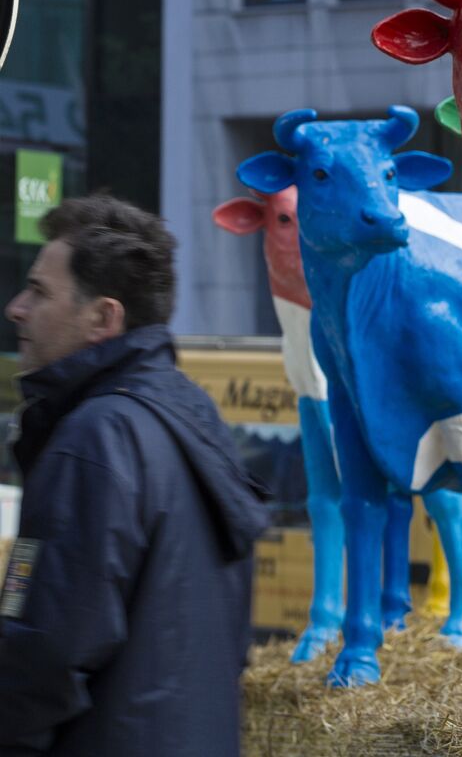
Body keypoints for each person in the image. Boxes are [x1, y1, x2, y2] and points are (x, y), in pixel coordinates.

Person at [0, 196, 270, 756]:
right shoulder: (192, 418)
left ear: (103, 317)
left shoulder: (94, 438)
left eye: (40, 291)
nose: (16, 308)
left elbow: (42, 648)